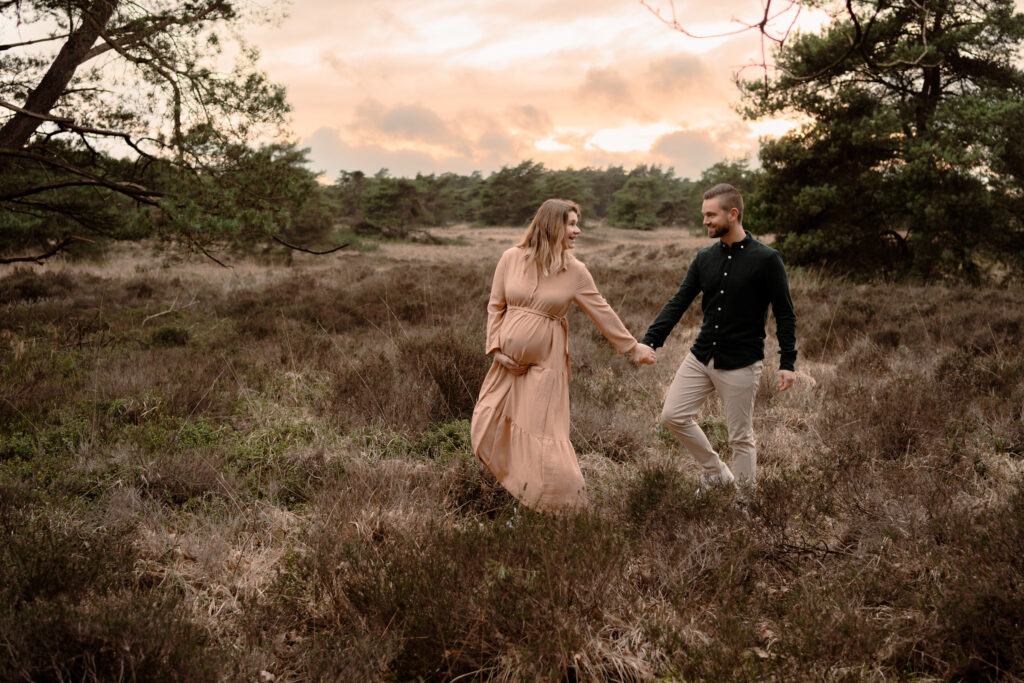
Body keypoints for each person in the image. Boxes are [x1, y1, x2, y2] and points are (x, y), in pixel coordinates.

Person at [471, 198, 656, 511]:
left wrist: (632, 346)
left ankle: (564, 508)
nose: (577, 230)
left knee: (543, 438)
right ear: (551, 225)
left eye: (577, 224)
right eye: (571, 224)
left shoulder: (576, 271)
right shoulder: (511, 258)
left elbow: (602, 310)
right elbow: (495, 305)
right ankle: (525, 498)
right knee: (487, 423)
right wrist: (496, 349)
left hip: (546, 366)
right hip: (506, 366)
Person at [636, 183, 796, 492]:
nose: (705, 221)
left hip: (740, 363)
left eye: (711, 215)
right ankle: (716, 472)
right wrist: (650, 340)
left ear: (733, 214)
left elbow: (785, 313)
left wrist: (787, 362)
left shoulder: (767, 259)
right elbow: (679, 301)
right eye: (704, 215)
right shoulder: (704, 258)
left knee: (740, 437)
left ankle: (747, 505)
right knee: (673, 415)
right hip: (700, 356)